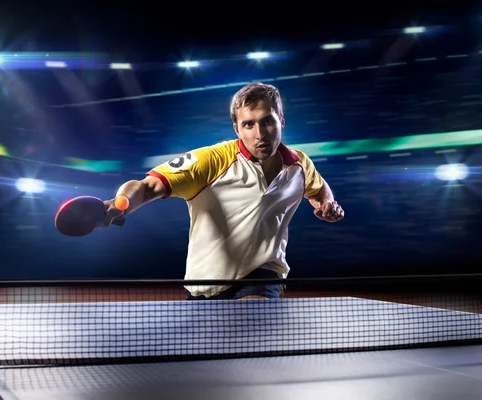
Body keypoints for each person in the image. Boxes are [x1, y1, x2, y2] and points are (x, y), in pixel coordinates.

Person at [102, 82, 344, 300]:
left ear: (281, 121)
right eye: (249, 124)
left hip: (263, 274)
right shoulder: (211, 160)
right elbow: (146, 187)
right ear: (237, 129)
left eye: (267, 121)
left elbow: (319, 188)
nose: (259, 134)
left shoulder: (299, 165)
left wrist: (326, 204)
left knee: (252, 328)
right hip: (204, 283)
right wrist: (120, 203)